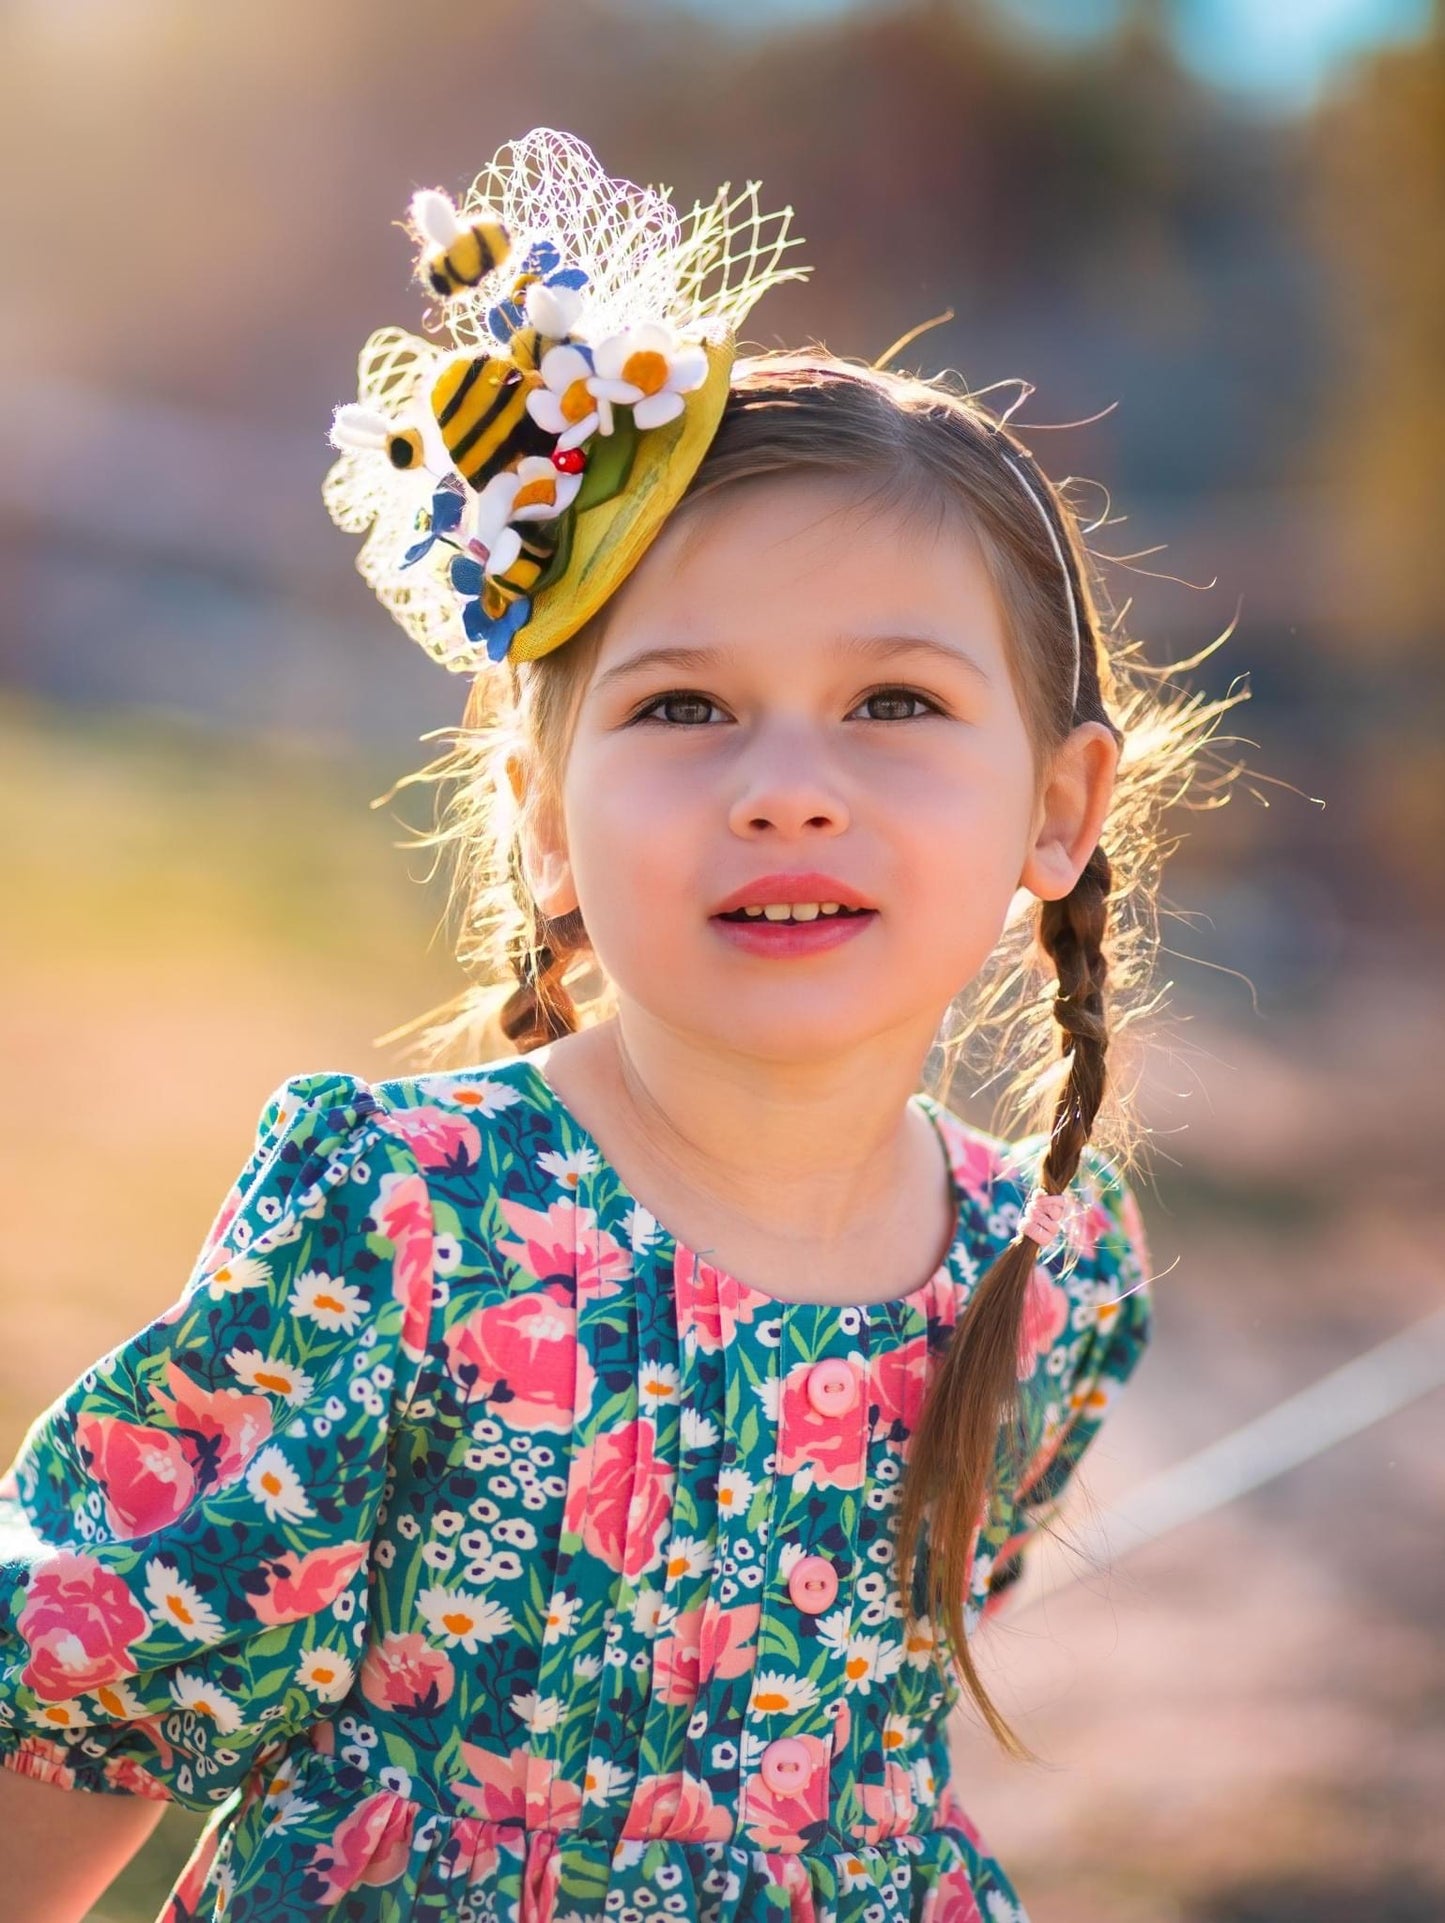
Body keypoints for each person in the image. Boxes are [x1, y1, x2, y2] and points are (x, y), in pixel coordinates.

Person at [0, 129, 1229, 1921]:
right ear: (543, 815)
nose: (787, 789)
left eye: (892, 699)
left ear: (1057, 809)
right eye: (682, 708)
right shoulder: (408, 1221)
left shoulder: (1047, 1267)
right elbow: (102, 1718)